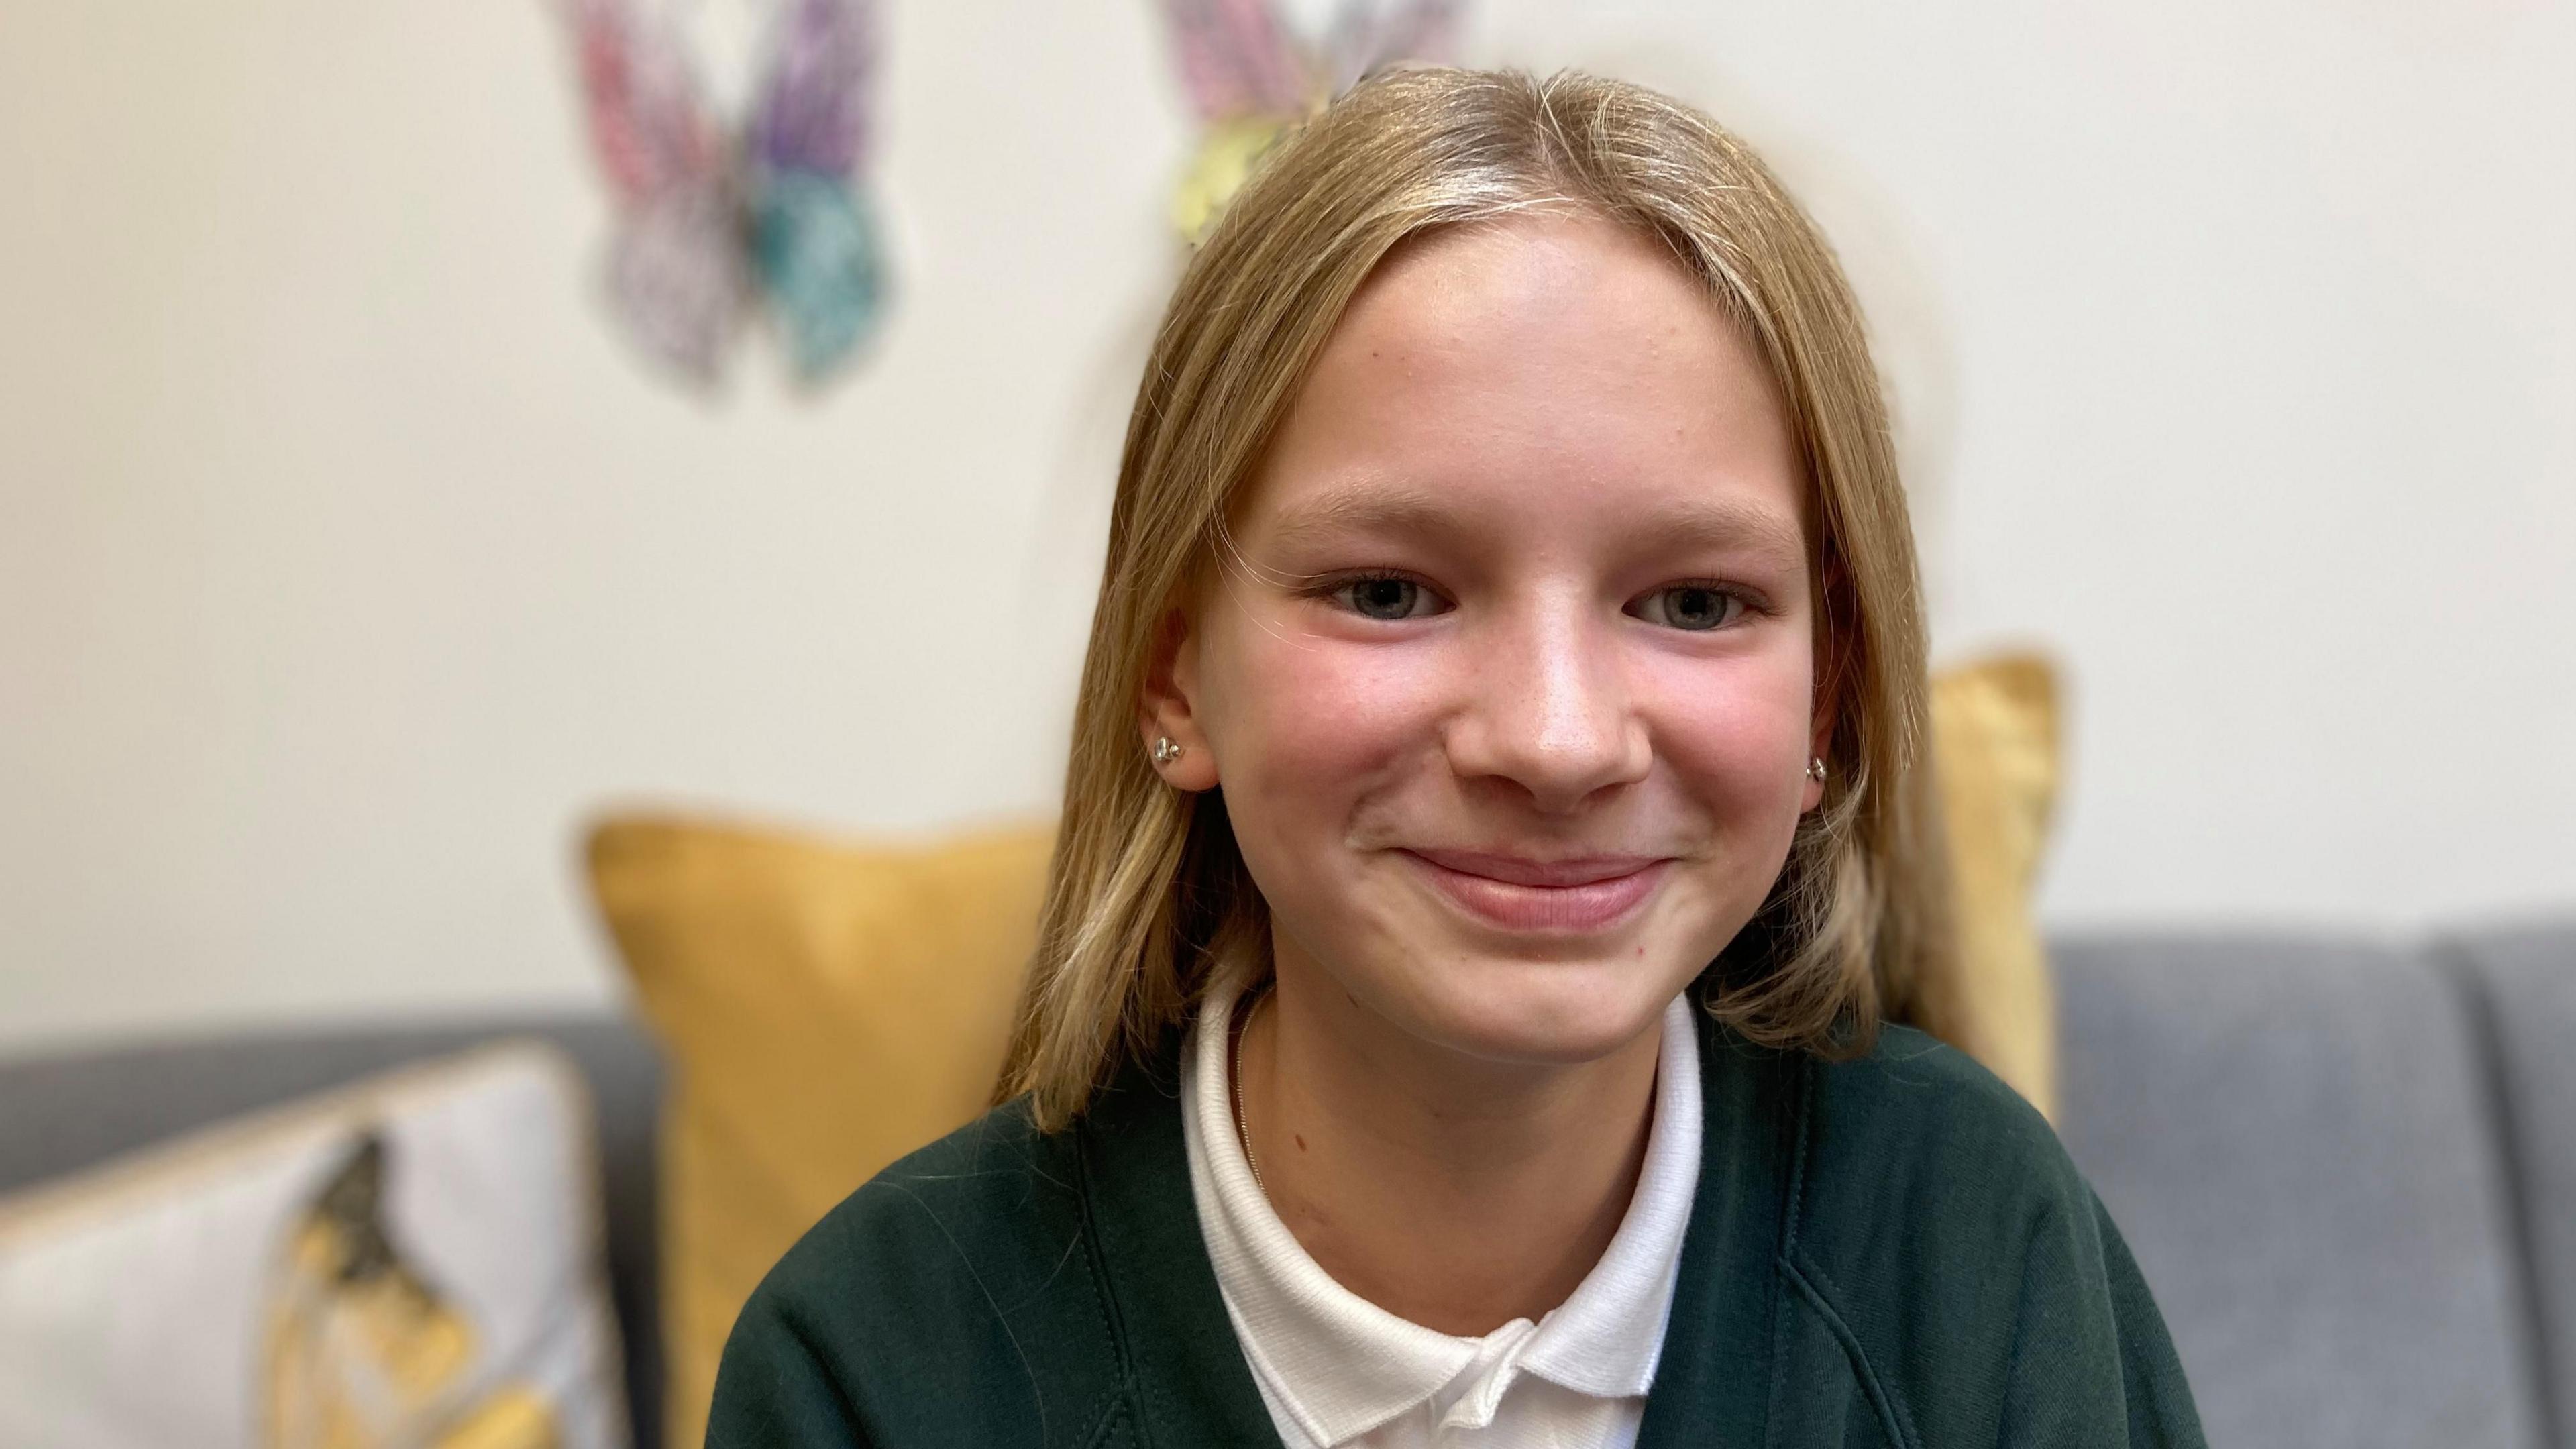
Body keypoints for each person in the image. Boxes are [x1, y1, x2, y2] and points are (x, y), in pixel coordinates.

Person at [706, 66, 2205, 1448]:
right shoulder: (874, 1371)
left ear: (1828, 706)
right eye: (1388, 593)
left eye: (1694, 602)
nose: (1554, 742)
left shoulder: (1981, 1257)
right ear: (1176, 673)